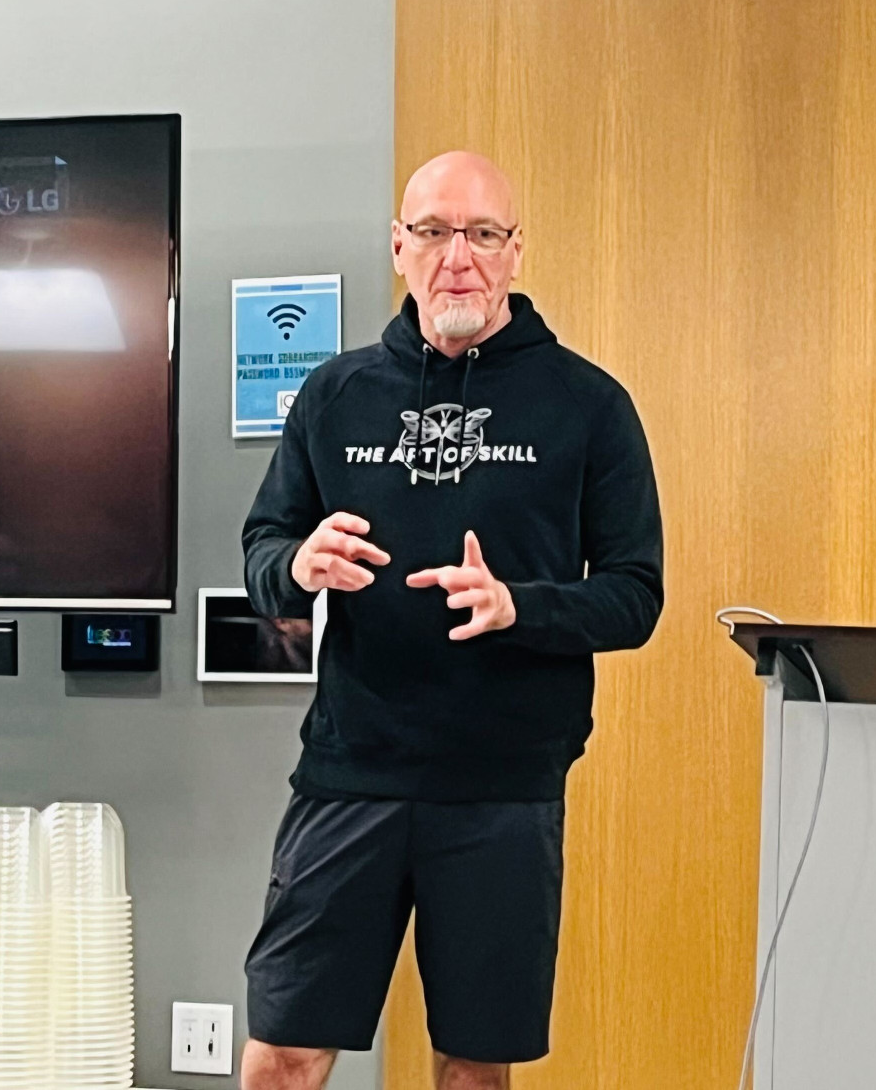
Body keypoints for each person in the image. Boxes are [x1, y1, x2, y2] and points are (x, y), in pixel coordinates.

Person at [239, 151, 664, 1090]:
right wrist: (297, 566)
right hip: (351, 771)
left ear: (516, 252)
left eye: (480, 234)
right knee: (283, 1052)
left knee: (472, 1068)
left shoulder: (589, 407)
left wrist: (521, 606)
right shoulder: (334, 395)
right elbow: (264, 547)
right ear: (399, 246)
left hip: (502, 787)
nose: (456, 257)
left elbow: (636, 595)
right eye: (433, 232)